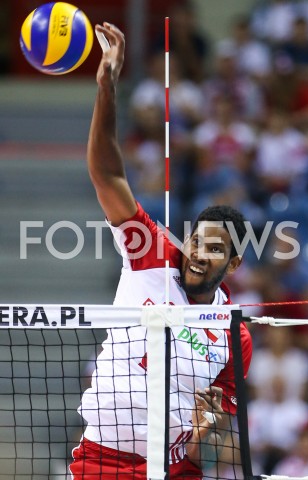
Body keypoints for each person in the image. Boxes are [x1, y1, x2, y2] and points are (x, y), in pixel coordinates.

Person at [69, 23, 252, 480]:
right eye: (195, 239)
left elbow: (204, 436)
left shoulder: (234, 334)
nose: (196, 252)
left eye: (214, 248)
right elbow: (107, 176)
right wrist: (107, 89)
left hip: (166, 471)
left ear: (233, 264)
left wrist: (203, 430)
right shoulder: (151, 252)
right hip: (98, 461)